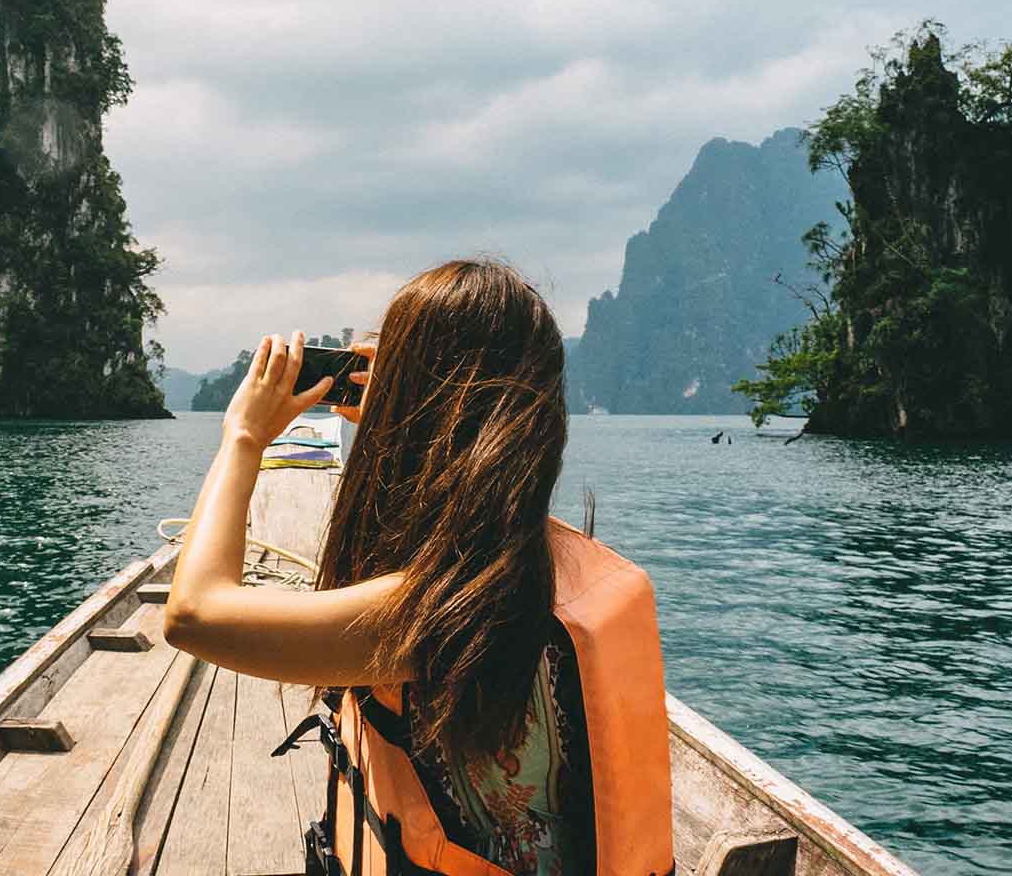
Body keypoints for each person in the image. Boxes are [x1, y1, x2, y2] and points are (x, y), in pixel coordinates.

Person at [163, 259, 670, 876]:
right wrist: (396, 418)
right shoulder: (528, 566)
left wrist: (242, 436)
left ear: (422, 400)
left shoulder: (440, 613)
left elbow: (194, 613)